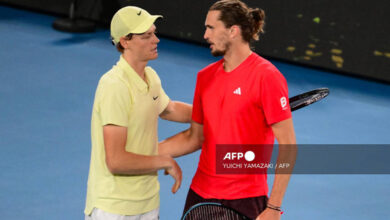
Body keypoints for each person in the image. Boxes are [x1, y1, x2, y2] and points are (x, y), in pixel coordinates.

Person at [159, 0, 297, 219]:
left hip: (245, 199)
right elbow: (195, 138)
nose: (205, 35)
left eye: (211, 28)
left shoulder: (267, 77)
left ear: (233, 31)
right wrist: (145, 153)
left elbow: (289, 146)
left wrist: (274, 206)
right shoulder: (205, 77)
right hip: (199, 195)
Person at [84, 6, 192, 220]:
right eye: (147, 36)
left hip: (148, 202)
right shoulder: (114, 85)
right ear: (125, 42)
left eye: (154, 33)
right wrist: (165, 161)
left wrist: (217, 112)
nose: (156, 40)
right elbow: (116, 160)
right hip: (114, 208)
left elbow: (169, 109)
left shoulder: (150, 77)